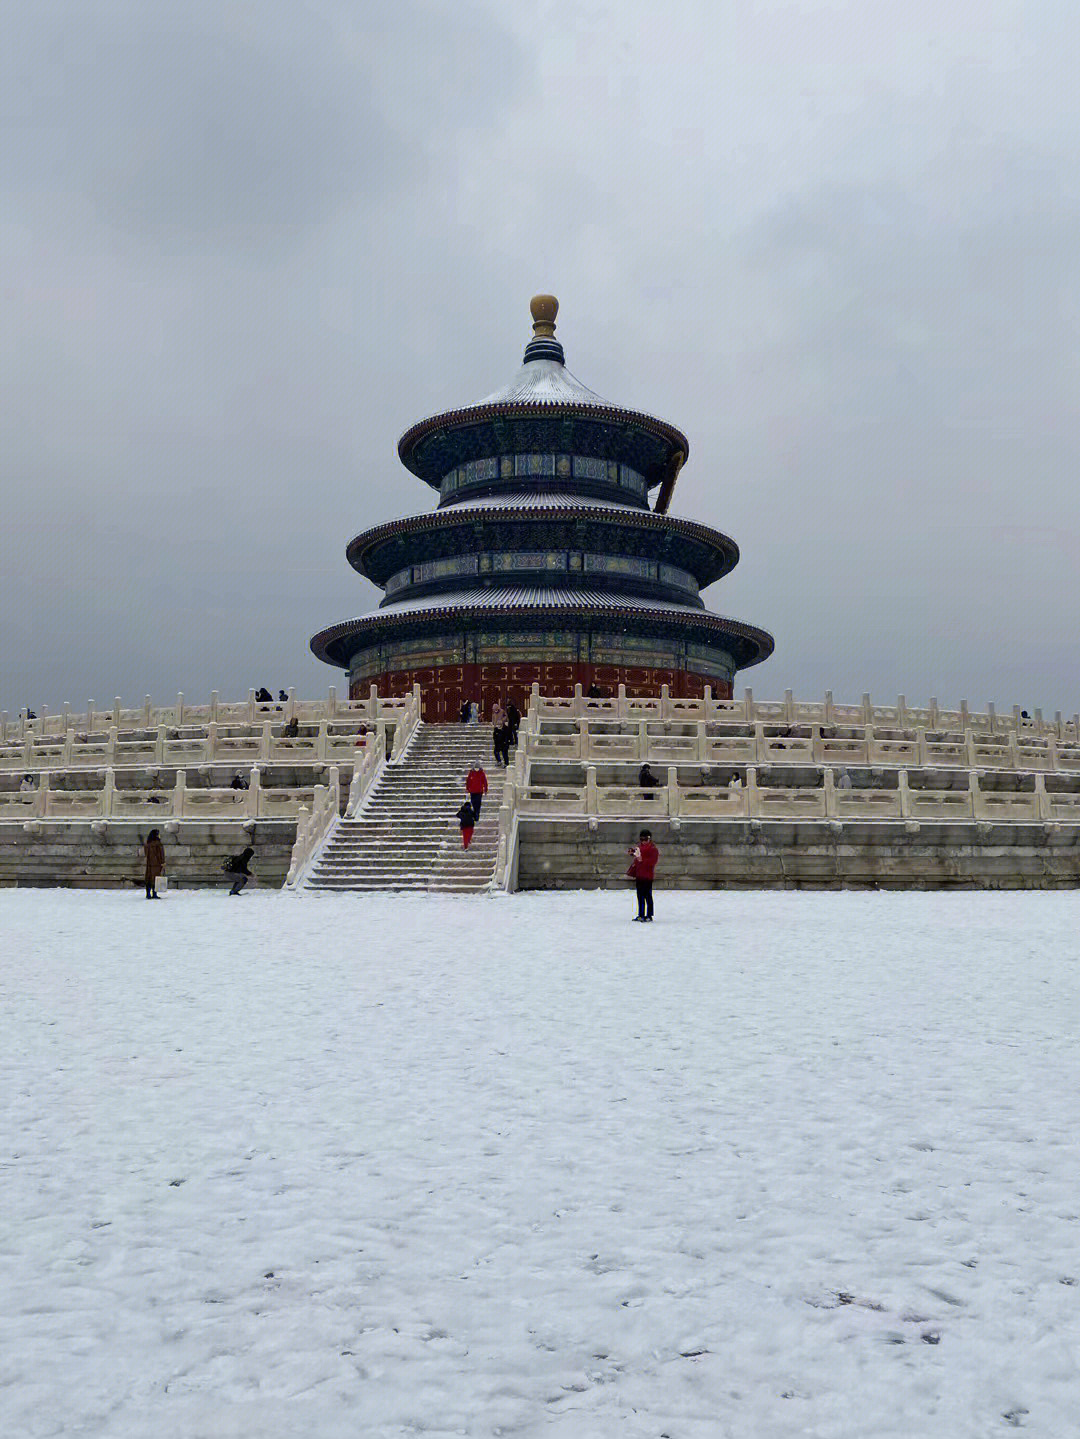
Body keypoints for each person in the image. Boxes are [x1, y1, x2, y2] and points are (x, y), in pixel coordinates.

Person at [627, 829, 659, 922]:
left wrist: (642, 860)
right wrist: (632, 853)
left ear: (649, 839)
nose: (643, 841)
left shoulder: (653, 849)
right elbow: (637, 856)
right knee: (640, 896)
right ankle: (641, 914)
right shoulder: (639, 847)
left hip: (648, 875)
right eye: (641, 839)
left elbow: (653, 861)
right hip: (639, 874)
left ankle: (649, 915)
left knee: (647, 896)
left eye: (645, 839)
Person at [143, 828, 165, 900]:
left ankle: (148, 894)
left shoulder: (147, 843)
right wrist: (163, 862)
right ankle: (154, 894)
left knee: (148, 878)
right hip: (156, 864)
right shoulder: (158, 843)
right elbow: (161, 854)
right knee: (156, 879)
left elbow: (146, 854)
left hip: (149, 864)